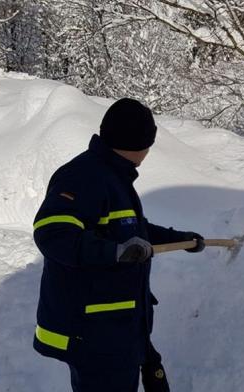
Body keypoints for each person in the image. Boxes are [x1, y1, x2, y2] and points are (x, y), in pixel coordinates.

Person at [31, 98, 206, 392]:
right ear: (138, 144)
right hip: (93, 332)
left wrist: (180, 238)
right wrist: (114, 252)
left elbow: (131, 232)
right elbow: (53, 233)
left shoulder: (113, 177)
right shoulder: (84, 176)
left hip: (119, 327)